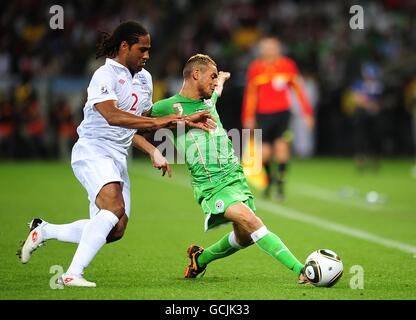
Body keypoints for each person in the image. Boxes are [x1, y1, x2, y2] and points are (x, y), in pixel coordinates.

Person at [17, 21, 214, 287]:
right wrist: (164, 121)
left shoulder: (145, 79)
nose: (147, 55)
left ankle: (44, 231)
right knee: (113, 208)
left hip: (118, 156)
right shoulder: (104, 76)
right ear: (124, 47)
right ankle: (72, 274)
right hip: (93, 149)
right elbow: (112, 116)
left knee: (114, 229)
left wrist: (154, 147)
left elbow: (136, 123)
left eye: (149, 50)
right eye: (142, 49)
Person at [151, 54, 308, 284]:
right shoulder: (165, 107)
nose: (214, 82)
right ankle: (302, 271)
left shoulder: (207, 101)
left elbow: (217, 92)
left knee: (244, 237)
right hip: (212, 185)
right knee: (253, 222)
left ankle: (200, 259)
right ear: (196, 74)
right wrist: (152, 150)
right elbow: (134, 126)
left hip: (235, 178)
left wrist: (221, 79)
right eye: (212, 76)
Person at [241, 37, 314, 200]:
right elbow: (250, 94)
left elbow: (299, 90)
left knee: (281, 148)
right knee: (265, 153)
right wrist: (248, 116)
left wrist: (307, 113)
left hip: (283, 114)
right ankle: (269, 182)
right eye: (266, 48)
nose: (269, 51)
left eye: (272, 47)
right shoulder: (256, 68)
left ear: (279, 49)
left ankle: (280, 187)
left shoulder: (287, 65)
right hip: (263, 115)